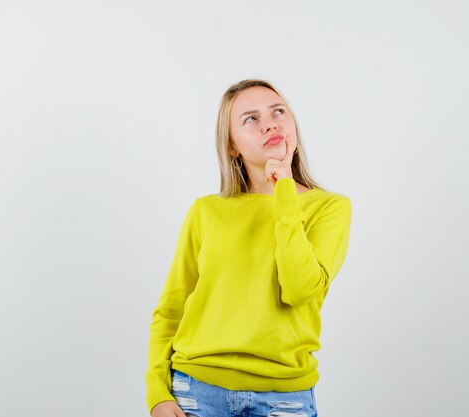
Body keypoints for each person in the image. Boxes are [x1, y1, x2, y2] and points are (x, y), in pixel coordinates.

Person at [145, 79, 352, 417]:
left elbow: (299, 289)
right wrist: (157, 392)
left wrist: (284, 187)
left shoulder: (330, 208)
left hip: (283, 395)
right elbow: (171, 310)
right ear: (232, 147)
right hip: (196, 390)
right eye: (250, 119)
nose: (270, 123)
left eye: (278, 111)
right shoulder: (206, 211)